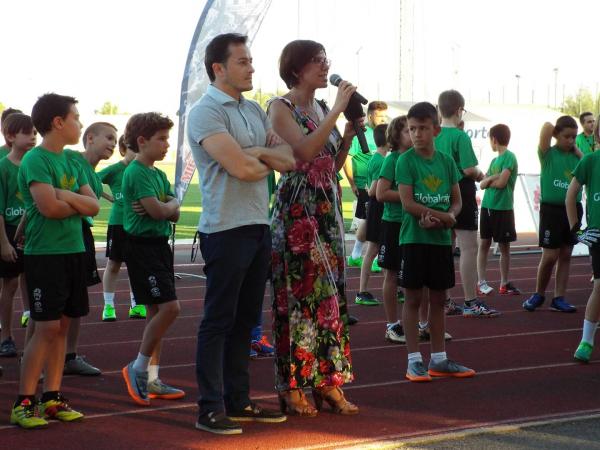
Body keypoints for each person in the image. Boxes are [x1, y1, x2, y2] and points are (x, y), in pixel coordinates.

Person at [188, 33, 293, 435]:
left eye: (251, 61)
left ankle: (239, 400)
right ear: (219, 68)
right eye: (243, 61)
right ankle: (209, 408)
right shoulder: (206, 113)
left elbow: (287, 160)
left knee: (246, 320)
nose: (252, 67)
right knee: (218, 320)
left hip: (257, 226)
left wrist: (256, 154)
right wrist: (260, 155)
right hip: (225, 230)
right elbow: (245, 170)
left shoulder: (252, 109)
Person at [268, 39, 359, 418]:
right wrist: (338, 110)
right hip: (297, 214)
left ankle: (328, 382)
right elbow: (304, 153)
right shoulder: (280, 107)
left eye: (326, 60)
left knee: (329, 302)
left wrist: (349, 135)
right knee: (297, 299)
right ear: (296, 68)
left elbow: (328, 165)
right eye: (317, 61)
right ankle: (292, 385)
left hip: (327, 212)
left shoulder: (322, 107)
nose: (325, 67)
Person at [11, 93, 99, 429]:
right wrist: (70, 201)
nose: (79, 122)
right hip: (44, 254)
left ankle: (52, 397)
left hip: (73, 251)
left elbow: (93, 208)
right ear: (58, 122)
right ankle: (24, 401)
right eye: (76, 117)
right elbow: (49, 208)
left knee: (62, 326)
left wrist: (65, 196)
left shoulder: (74, 162)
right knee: (46, 327)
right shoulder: (36, 160)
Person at [397, 101, 475, 382]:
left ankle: (439, 359)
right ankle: (414, 359)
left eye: (423, 128)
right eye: (412, 129)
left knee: (439, 298)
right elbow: (407, 203)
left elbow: (457, 201)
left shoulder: (446, 161)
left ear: (436, 130)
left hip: (441, 241)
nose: (417, 134)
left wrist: (450, 216)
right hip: (414, 238)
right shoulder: (405, 161)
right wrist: (438, 216)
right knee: (414, 297)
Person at [120, 112, 185, 407]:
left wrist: (168, 204)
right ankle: (137, 367)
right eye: (161, 139)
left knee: (155, 312)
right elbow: (161, 213)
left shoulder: (158, 175)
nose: (167, 145)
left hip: (159, 245)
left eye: (167, 138)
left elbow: (175, 211)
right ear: (142, 141)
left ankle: (152, 376)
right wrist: (166, 206)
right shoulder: (135, 172)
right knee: (170, 309)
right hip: (142, 248)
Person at [61, 122, 117, 377]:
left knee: (77, 297)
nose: (113, 144)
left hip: (81, 234)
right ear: (90, 138)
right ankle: (35, 356)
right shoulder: (70, 158)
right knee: (53, 302)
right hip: (58, 235)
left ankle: (69, 355)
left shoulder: (94, 175)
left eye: (115, 141)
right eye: (108, 138)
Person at [435, 90, 496, 318]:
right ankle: (471, 301)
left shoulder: (435, 134)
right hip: (462, 192)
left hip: (439, 193)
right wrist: (482, 175)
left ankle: (447, 300)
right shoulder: (460, 137)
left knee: (446, 248)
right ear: (460, 110)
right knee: (469, 247)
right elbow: (470, 169)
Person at [523, 117, 583, 312]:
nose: (571, 140)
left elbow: (590, 166)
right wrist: (556, 131)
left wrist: (577, 150)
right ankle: (539, 293)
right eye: (566, 136)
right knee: (550, 255)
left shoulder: (578, 157)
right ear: (557, 135)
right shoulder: (547, 154)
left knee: (566, 254)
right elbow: (546, 127)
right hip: (552, 210)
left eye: (574, 137)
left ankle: (559, 298)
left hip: (573, 210)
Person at [0, 113, 35, 357]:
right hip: (10, 231)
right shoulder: (3, 167)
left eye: (35, 133)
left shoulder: (36, 164)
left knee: (33, 281)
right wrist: (4, 242)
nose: (33, 137)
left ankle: (33, 337)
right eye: (28, 133)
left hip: (35, 232)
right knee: (10, 283)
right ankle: (6, 336)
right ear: (11, 137)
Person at [99, 135, 145, 321]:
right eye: (133, 149)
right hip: (118, 223)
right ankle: (109, 306)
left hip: (138, 225)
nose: (137, 153)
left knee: (137, 265)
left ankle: (136, 304)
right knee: (114, 264)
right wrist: (108, 197)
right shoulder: (115, 169)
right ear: (123, 150)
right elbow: (90, 180)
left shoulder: (143, 170)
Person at [375, 117, 411, 343]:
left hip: (413, 224)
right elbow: (380, 193)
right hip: (393, 223)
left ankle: (418, 323)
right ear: (396, 136)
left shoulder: (417, 159)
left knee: (414, 276)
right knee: (391, 273)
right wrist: (409, 197)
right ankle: (391, 325)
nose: (414, 134)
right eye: (408, 130)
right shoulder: (392, 160)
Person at [476, 124, 519, 307]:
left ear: (494, 139)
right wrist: (493, 178)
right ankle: (481, 282)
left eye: (490, 139)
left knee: (504, 248)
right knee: (484, 244)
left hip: (503, 208)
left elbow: (501, 184)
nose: (490, 143)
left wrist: (491, 180)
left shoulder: (509, 157)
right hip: (487, 206)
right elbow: (483, 184)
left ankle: (503, 282)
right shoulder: (495, 161)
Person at [345, 101, 388, 269]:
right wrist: (352, 182)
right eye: (380, 116)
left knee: (367, 218)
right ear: (370, 116)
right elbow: (348, 157)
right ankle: (369, 256)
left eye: (385, 115)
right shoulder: (361, 133)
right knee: (372, 219)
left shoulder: (384, 132)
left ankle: (356, 255)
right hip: (366, 184)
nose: (384, 119)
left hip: (377, 183)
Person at [567, 150, 600, 362]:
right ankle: (586, 341)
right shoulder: (590, 160)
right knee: (599, 286)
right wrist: (576, 230)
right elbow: (570, 195)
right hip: (598, 235)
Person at [355, 123, 388, 307]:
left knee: (379, 249)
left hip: (376, 207)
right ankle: (361, 291)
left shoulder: (374, 158)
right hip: (379, 207)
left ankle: (392, 287)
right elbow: (374, 190)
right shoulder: (382, 161)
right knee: (374, 249)